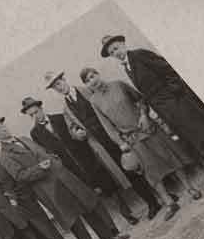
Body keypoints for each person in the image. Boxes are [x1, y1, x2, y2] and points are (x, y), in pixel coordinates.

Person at [108, 33, 204, 190]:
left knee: (202, 139)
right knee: (199, 140)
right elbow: (147, 92)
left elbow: (170, 71)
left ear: (122, 43)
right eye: (112, 52)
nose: (116, 53)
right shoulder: (128, 67)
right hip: (166, 111)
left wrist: (173, 97)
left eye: (116, 48)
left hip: (177, 105)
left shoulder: (140, 55)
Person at [0, 117, 94, 239]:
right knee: (47, 235)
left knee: (57, 229)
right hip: (24, 202)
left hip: (39, 190)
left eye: (2, 125)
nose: (2, 129)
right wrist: (12, 198)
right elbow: (8, 183)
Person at [3, 103, 121, 239]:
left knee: (87, 207)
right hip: (49, 188)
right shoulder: (5, 155)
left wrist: (53, 159)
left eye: (3, 126)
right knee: (74, 221)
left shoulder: (24, 139)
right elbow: (20, 176)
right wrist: (40, 168)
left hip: (62, 176)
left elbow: (43, 152)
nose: (3, 129)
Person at [79, 56, 196, 206]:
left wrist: (143, 115)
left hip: (147, 128)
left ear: (98, 74)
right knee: (150, 171)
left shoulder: (118, 85)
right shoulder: (94, 102)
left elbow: (140, 99)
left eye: (93, 75)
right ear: (87, 85)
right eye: (88, 80)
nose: (92, 80)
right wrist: (120, 142)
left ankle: (189, 188)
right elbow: (106, 125)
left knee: (170, 157)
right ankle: (168, 201)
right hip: (132, 139)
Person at [47, 69, 161, 221]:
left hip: (116, 134)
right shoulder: (66, 109)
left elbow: (108, 103)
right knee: (128, 171)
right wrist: (78, 134)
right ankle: (152, 202)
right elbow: (72, 130)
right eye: (55, 87)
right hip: (101, 144)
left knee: (142, 162)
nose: (59, 87)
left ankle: (163, 194)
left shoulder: (88, 90)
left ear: (64, 80)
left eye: (59, 83)